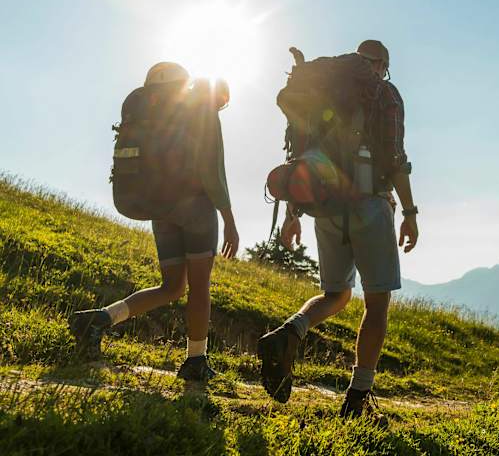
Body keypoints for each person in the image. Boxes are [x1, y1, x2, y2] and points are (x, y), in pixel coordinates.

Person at [258, 40, 419, 418]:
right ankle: (358, 397)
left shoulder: (322, 92)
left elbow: (299, 155)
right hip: (370, 204)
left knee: (336, 293)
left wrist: (292, 213)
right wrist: (410, 211)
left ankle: (290, 332)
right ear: (380, 64)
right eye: (385, 67)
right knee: (376, 304)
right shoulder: (384, 92)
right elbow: (395, 159)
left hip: (326, 208)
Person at [69, 62, 239, 381]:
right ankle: (195, 361)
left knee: (173, 286)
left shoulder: (157, 113)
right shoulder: (205, 109)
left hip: (160, 206)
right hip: (195, 208)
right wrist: (228, 219)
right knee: (199, 286)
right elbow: (212, 171)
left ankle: (99, 320)